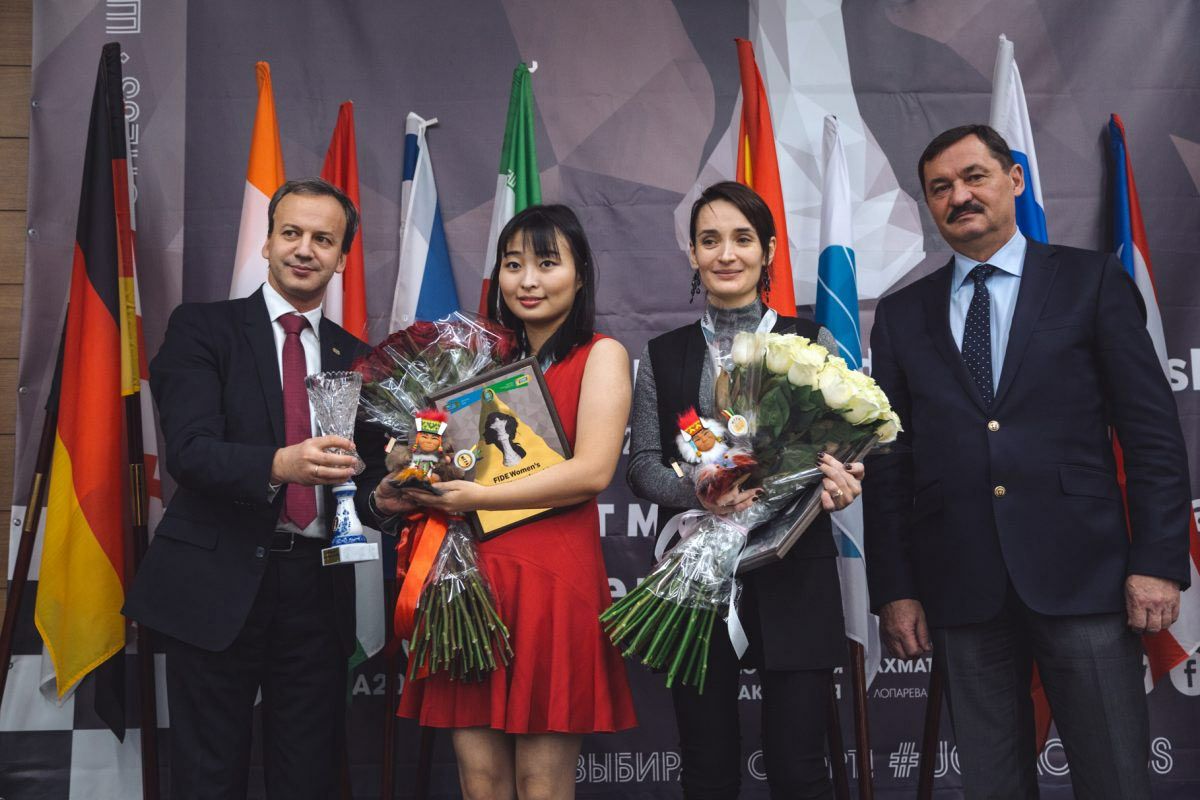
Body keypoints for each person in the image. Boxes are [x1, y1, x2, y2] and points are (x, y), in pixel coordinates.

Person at [864, 125, 1192, 799]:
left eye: (974, 177)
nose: (959, 196)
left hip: (1086, 578)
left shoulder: (1090, 281)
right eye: (940, 188)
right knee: (992, 786)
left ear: (1014, 179)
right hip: (962, 587)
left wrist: (1159, 562)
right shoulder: (901, 315)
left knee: (1116, 779)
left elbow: (1151, 434)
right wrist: (895, 589)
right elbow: (891, 463)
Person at [124, 178, 397, 800]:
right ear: (268, 243)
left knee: (308, 777)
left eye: (323, 239)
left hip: (316, 591)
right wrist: (281, 465)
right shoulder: (203, 328)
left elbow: (366, 478)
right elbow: (190, 451)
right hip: (216, 583)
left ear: (342, 258)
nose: (305, 249)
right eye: (291, 233)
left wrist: (389, 494)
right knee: (208, 777)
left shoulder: (359, 358)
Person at [385, 204, 637, 800]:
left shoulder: (601, 354)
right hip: (471, 580)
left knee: (540, 784)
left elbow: (592, 472)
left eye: (547, 263)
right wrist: (409, 455)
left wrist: (481, 495)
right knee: (482, 782)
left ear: (580, 274)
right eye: (513, 264)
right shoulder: (475, 360)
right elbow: (423, 444)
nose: (528, 280)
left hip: (554, 581)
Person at [626, 181, 865, 800]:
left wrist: (841, 481)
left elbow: (838, 451)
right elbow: (643, 465)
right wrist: (700, 493)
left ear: (769, 250)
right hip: (697, 571)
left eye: (742, 239)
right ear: (692, 253)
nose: (726, 254)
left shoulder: (811, 343)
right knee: (706, 765)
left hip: (794, 565)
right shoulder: (663, 354)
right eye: (710, 241)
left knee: (800, 768)